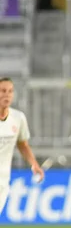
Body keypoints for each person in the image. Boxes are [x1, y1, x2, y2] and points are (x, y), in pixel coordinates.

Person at [0, 77, 44, 215]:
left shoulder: (18, 118)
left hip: (3, 180)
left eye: (10, 91)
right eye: (3, 90)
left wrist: (34, 164)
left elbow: (22, 143)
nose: (7, 94)